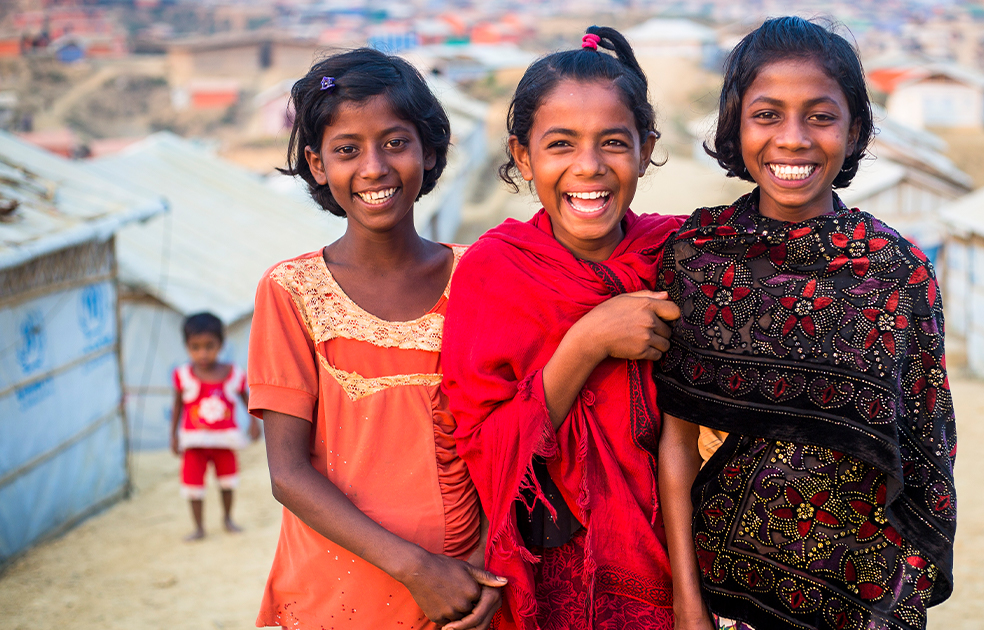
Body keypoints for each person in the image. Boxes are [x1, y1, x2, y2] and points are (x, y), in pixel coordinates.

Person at [656, 17, 957, 630]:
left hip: (860, 601)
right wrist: (689, 605)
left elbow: (924, 451)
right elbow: (678, 446)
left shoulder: (895, 272)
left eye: (820, 116)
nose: (792, 139)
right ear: (733, 126)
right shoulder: (698, 257)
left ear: (855, 132)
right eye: (767, 115)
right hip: (722, 594)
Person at [247, 48, 504, 630]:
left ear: (430, 149)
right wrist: (418, 570)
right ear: (317, 164)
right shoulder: (292, 292)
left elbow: (506, 440)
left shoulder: (482, 279)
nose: (374, 168)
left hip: (467, 594)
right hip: (335, 599)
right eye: (347, 150)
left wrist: (482, 568)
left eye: (394, 142)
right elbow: (288, 473)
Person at [441, 26, 684, 630]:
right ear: (522, 155)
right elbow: (481, 445)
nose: (589, 167)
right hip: (552, 575)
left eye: (613, 142)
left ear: (646, 146)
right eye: (560, 144)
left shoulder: (682, 255)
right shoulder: (496, 272)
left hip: (685, 566)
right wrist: (589, 342)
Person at [171, 311, 260, 541]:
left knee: (228, 482)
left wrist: (254, 422)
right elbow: (177, 408)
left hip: (225, 441)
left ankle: (228, 519)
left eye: (209, 346)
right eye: (196, 347)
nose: (203, 353)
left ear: (221, 344)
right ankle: (199, 527)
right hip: (194, 442)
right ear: (186, 346)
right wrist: (173, 436)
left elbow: (247, 400)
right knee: (193, 486)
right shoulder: (183, 376)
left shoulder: (233, 375)